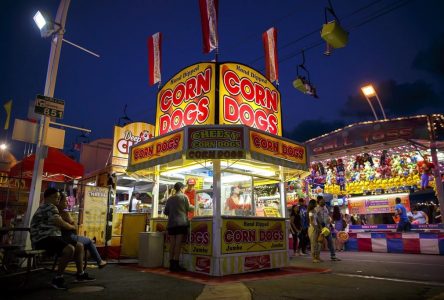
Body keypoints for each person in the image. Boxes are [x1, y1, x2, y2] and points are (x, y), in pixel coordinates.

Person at [30, 187, 95, 290]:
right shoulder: (49, 207)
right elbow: (60, 222)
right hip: (43, 239)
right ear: (48, 197)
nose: (58, 200)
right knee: (70, 249)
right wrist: (72, 227)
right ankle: (58, 278)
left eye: (59, 198)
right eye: (56, 197)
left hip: (51, 237)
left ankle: (80, 274)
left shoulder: (48, 207)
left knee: (79, 245)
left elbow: (60, 222)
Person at [56, 192, 107, 268]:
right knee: (89, 241)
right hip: (68, 237)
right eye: (65, 201)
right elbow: (74, 226)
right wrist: (74, 228)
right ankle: (99, 261)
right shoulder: (65, 214)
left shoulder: (54, 214)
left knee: (84, 242)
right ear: (59, 202)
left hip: (60, 238)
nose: (67, 203)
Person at [164, 182, 193, 272]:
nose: (185, 189)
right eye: (184, 188)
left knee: (172, 244)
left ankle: (171, 264)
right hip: (181, 223)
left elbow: (166, 212)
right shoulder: (184, 197)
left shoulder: (170, 199)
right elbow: (189, 208)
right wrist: (196, 206)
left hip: (171, 224)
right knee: (178, 244)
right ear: (181, 188)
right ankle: (176, 264)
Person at [315, 195, 341, 261]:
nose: (323, 202)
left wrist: (330, 225)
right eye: (322, 201)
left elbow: (327, 217)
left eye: (323, 200)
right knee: (319, 242)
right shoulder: (316, 209)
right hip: (320, 228)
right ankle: (317, 257)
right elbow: (315, 219)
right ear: (318, 202)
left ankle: (333, 256)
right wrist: (319, 227)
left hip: (327, 228)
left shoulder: (326, 208)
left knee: (330, 241)